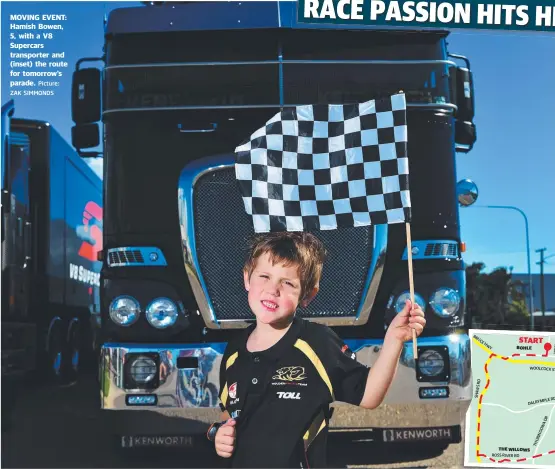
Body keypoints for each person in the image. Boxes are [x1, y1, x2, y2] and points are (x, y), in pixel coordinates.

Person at [206, 231, 426, 468]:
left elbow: (368, 395)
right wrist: (218, 434)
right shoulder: (235, 351)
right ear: (247, 278)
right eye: (264, 276)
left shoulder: (317, 342)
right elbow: (228, 414)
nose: (273, 289)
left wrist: (394, 339)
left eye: (287, 282)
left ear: (307, 295)